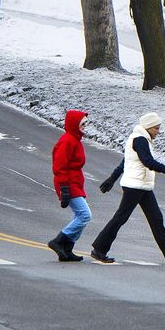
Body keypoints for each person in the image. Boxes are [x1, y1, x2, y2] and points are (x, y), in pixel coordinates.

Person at [90, 112, 165, 265]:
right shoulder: (140, 140)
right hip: (135, 186)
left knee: (156, 219)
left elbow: (125, 162)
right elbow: (148, 162)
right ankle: (99, 249)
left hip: (142, 186)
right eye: (156, 128)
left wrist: (112, 179)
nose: (158, 131)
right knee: (120, 218)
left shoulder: (141, 139)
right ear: (148, 127)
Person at [48, 109, 91, 262]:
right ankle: (59, 241)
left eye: (86, 124)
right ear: (75, 124)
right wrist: (64, 188)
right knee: (85, 215)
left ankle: (67, 249)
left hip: (75, 182)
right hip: (68, 183)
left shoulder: (75, 140)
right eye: (83, 124)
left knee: (79, 216)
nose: (85, 126)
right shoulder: (67, 140)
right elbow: (59, 166)